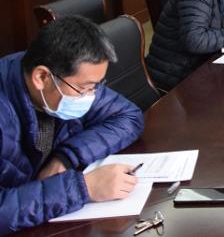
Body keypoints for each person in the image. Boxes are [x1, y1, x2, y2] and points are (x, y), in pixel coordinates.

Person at [0, 16, 144, 233]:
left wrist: (65, 157)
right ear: (41, 77)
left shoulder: (64, 77)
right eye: (84, 88)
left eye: (95, 86)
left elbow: (128, 117)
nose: (90, 96)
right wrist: (83, 188)